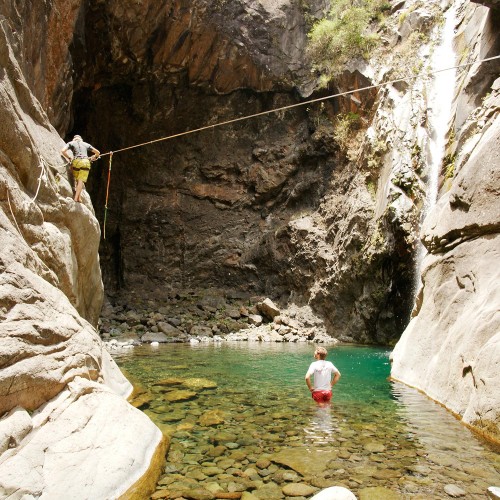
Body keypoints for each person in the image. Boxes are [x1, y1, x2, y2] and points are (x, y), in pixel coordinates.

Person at [61, 135, 100, 202]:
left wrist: (69, 158)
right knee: (80, 180)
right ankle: (76, 198)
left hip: (76, 162)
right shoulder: (86, 144)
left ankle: (78, 197)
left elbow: (63, 151)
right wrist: (94, 156)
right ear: (81, 139)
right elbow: (98, 152)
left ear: (74, 139)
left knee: (77, 180)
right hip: (85, 162)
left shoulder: (71, 143)